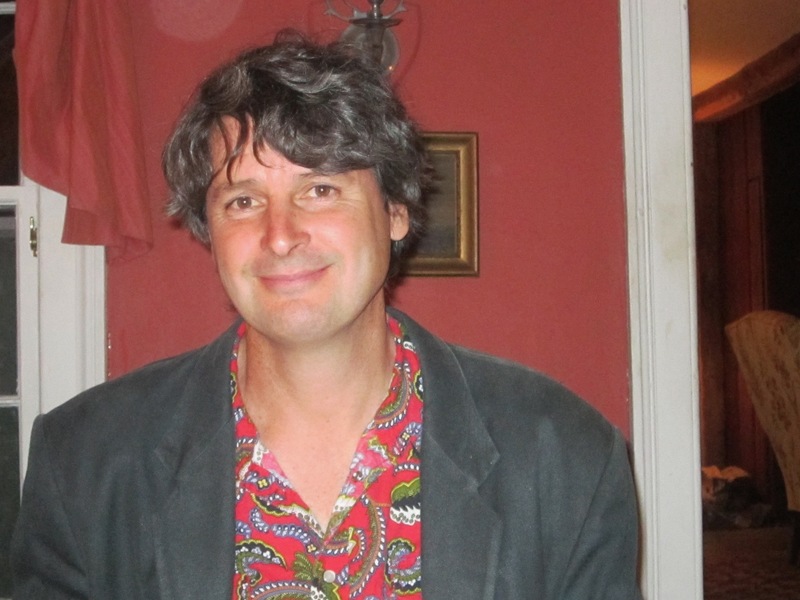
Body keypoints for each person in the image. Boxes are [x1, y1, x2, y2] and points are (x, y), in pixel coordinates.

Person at [12, 31, 641, 600]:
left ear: (395, 212)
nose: (281, 235)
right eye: (243, 200)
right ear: (210, 233)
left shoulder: (565, 458)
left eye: (320, 190)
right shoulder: (85, 464)